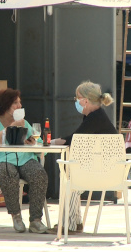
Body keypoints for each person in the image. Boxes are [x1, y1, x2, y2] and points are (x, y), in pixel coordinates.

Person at [50, 81, 117, 234]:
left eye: (77, 98)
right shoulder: (95, 116)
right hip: (110, 168)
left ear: (85, 101)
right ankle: (75, 222)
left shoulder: (94, 117)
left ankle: (70, 224)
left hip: (104, 171)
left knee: (70, 178)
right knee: (70, 174)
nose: (76, 101)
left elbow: (75, 139)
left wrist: (52, 142)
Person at [0, 88, 49, 234]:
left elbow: (41, 145)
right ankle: (16, 216)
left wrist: (33, 143)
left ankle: (36, 220)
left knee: (38, 173)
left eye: (20, 103)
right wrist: (10, 127)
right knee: (8, 172)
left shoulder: (24, 122)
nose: (19, 106)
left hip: (24, 158)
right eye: (15, 103)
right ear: (5, 105)